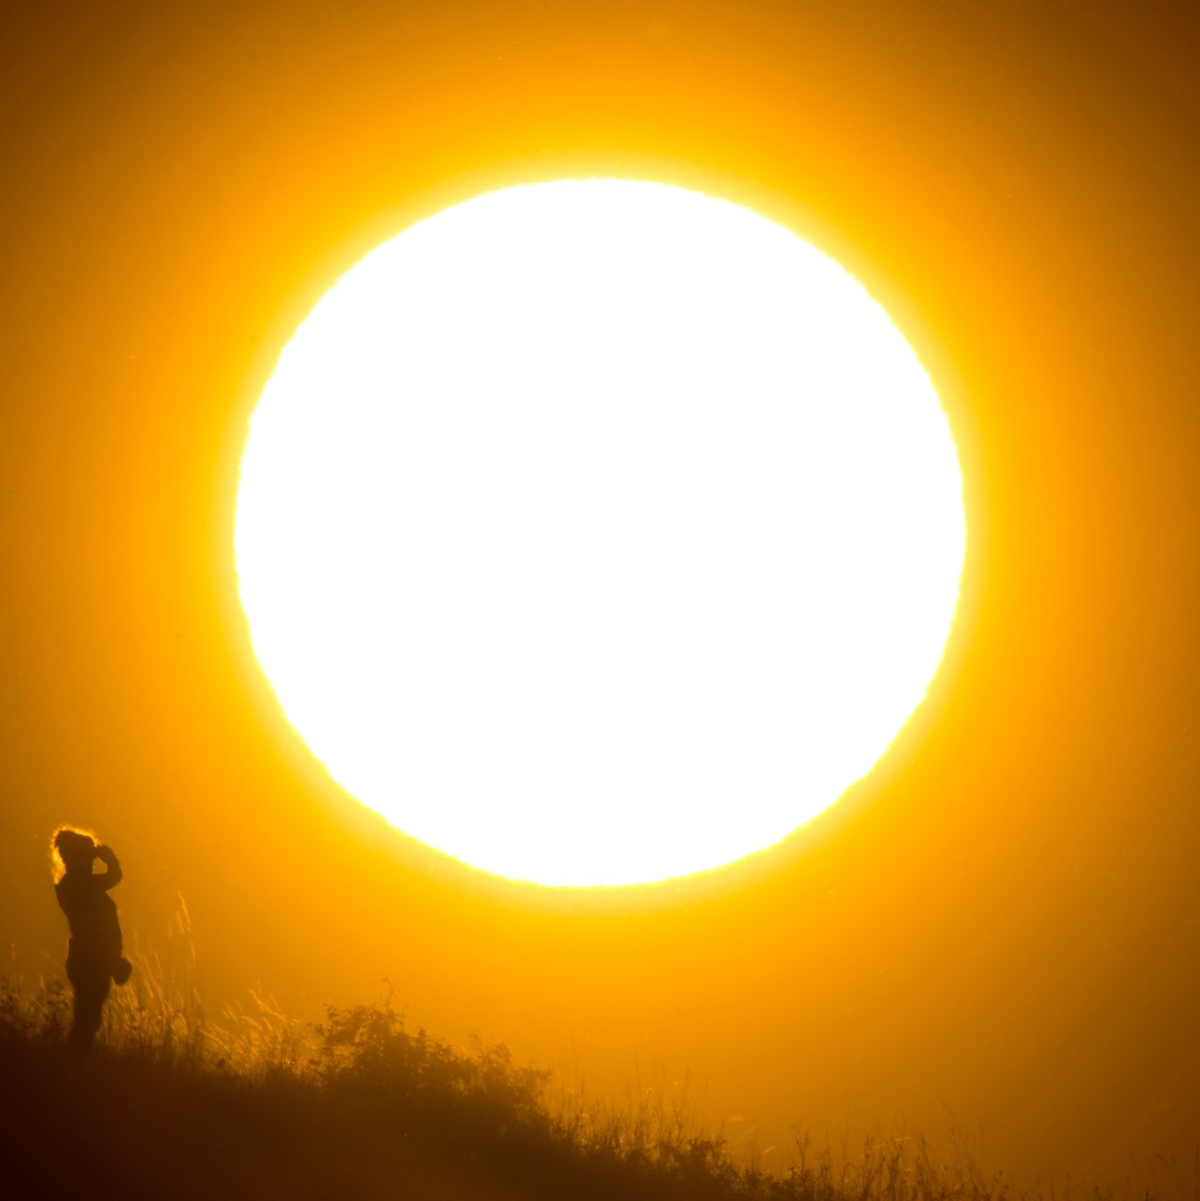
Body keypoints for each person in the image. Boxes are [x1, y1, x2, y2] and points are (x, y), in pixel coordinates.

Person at [51, 827, 133, 1050]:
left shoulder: (72, 885)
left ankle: (75, 1060)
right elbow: (114, 876)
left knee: (88, 1016)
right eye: (87, 856)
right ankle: (75, 1062)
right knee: (87, 1019)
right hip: (91, 960)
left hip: (88, 958)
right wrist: (110, 858)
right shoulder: (78, 885)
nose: (91, 861)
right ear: (76, 857)